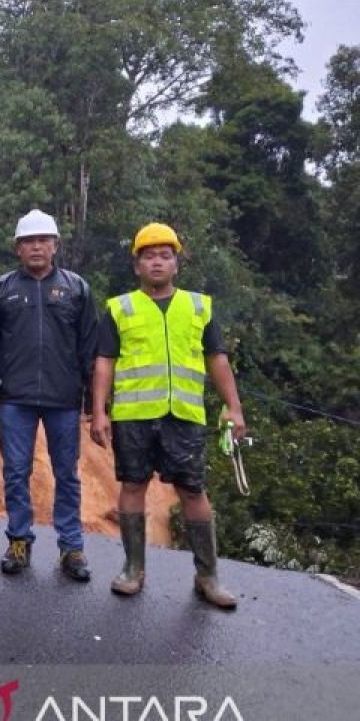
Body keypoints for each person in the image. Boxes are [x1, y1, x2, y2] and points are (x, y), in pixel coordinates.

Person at [90, 222, 246, 610]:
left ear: (176, 264)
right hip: (134, 416)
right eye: (149, 257)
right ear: (137, 265)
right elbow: (105, 361)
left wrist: (233, 406)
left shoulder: (198, 306)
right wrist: (99, 411)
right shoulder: (120, 308)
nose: (157, 262)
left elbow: (217, 359)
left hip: (184, 416)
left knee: (193, 490)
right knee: (132, 486)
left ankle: (207, 576)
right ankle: (133, 569)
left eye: (164, 256)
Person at [0, 210, 98, 582]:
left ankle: (72, 547)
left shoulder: (76, 288)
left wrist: (93, 402)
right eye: (28, 241)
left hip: (63, 398)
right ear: (18, 248)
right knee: (16, 472)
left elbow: (89, 347)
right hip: (14, 398)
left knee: (67, 474)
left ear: (55, 245)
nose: (36, 246)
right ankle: (19, 541)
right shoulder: (1, 289)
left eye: (42, 240)